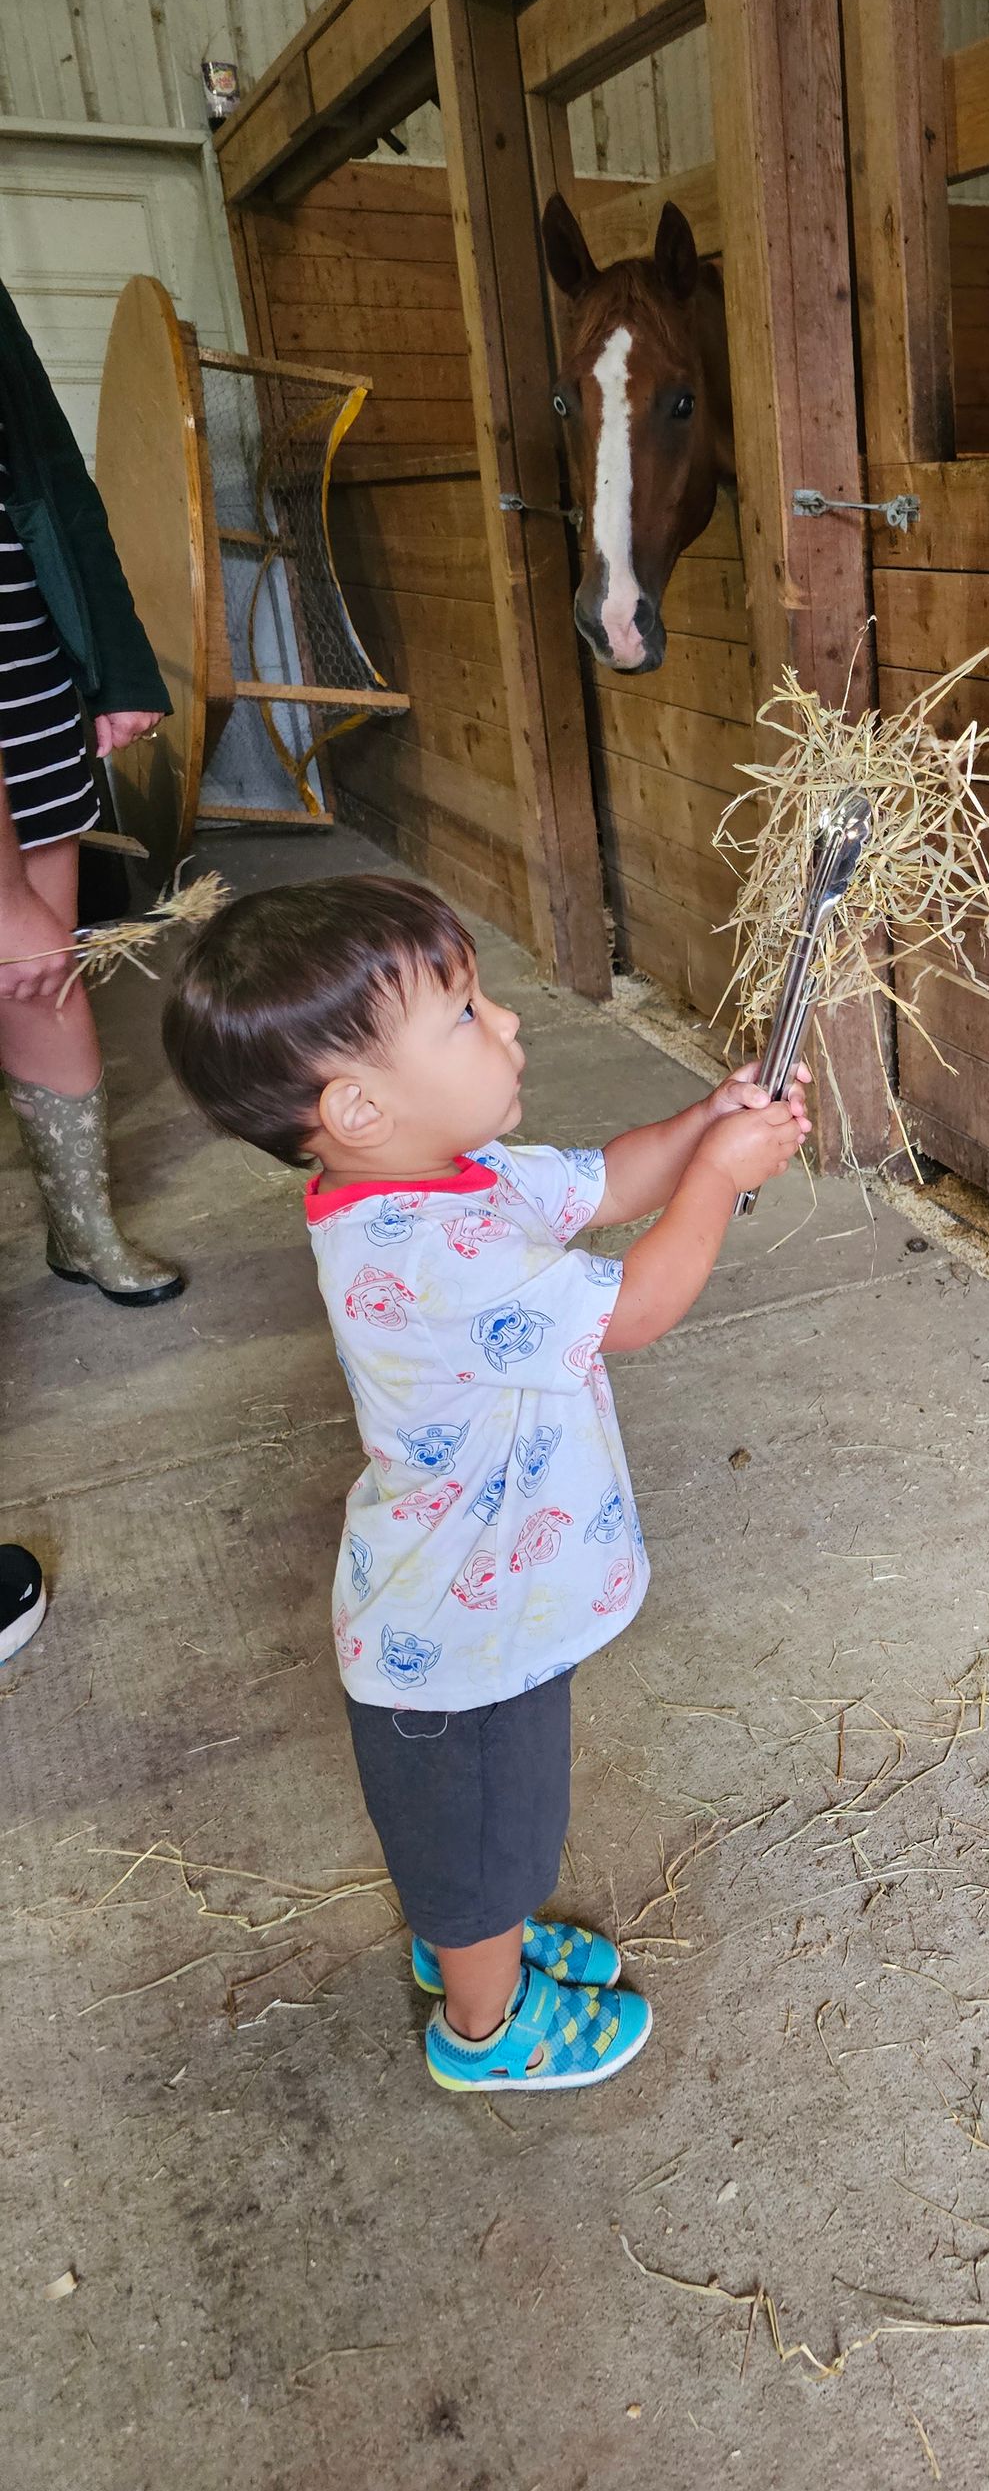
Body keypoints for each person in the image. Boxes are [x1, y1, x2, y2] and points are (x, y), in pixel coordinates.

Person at [163, 875, 809, 2094]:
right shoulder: (427, 1253)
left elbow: (609, 1184)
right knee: (482, 1841)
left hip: (485, 1600)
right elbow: (643, 1304)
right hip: (452, 1640)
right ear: (355, 1106)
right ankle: (485, 2023)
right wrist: (721, 1177)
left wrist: (707, 1120)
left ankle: (481, 1944)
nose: (506, 1023)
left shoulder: (447, 1177)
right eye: (463, 1013)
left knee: (491, 1831)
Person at [0, 276, 178, 1305]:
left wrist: (112, 664)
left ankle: (83, 1228)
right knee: (25, 939)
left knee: (39, 974)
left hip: (21, 662)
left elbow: (54, 473)